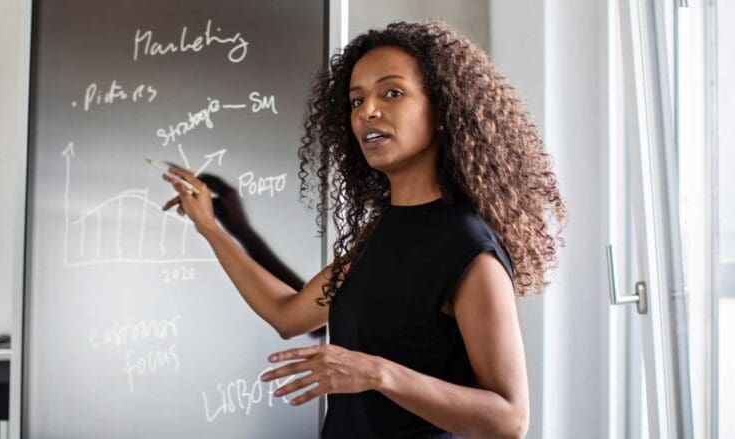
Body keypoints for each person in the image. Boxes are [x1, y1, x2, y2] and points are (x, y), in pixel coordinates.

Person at [161, 20, 565, 439]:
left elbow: (510, 420)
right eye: (357, 100)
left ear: (443, 112)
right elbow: (289, 315)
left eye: (392, 93)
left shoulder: (468, 248)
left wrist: (376, 373)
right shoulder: (381, 235)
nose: (368, 111)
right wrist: (215, 228)